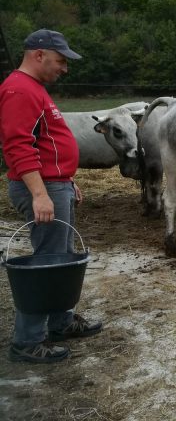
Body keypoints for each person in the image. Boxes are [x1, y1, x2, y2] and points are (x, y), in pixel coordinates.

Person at [0, 29, 102, 363]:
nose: (65, 68)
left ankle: (59, 322)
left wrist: (65, 180)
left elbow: (45, 143)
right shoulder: (19, 90)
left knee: (61, 257)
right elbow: (17, 146)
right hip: (41, 187)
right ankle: (28, 341)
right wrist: (40, 193)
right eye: (60, 61)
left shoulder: (34, 89)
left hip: (54, 184)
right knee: (46, 261)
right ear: (38, 54)